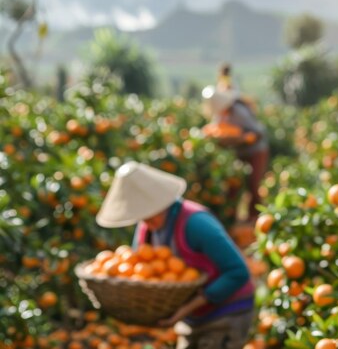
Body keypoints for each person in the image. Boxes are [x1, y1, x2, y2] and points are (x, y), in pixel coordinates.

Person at [96, 161, 255, 349]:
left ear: (162, 200)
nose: (145, 219)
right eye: (140, 215)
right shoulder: (147, 228)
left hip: (225, 313)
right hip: (191, 317)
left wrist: (188, 308)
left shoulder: (196, 223)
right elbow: (141, 272)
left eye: (149, 212)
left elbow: (238, 272)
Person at [202, 86, 269, 223]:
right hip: (239, 152)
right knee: (234, 184)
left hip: (256, 151)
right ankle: (231, 217)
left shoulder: (239, 112)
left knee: (253, 184)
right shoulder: (220, 114)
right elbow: (216, 131)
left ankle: (256, 218)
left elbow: (258, 133)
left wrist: (243, 137)